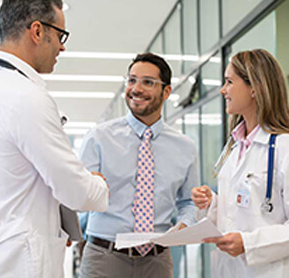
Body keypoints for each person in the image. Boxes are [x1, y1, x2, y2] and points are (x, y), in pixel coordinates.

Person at [0, 0, 109, 278]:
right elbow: (76, 190)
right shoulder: (27, 97)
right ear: (38, 31)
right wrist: (98, 184)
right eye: (60, 35)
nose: (63, 46)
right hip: (21, 260)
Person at [79, 52, 199, 278]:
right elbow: (77, 197)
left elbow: (188, 201)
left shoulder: (185, 147)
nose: (136, 88)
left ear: (166, 92)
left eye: (148, 82)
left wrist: (185, 223)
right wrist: (88, 187)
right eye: (132, 80)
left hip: (157, 261)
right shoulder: (99, 138)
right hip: (105, 257)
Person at [191, 49, 289, 278]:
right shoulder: (233, 147)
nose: (222, 90)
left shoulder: (284, 148)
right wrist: (211, 203)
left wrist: (249, 243)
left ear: (254, 87)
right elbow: (236, 211)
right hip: (228, 270)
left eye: (229, 82)